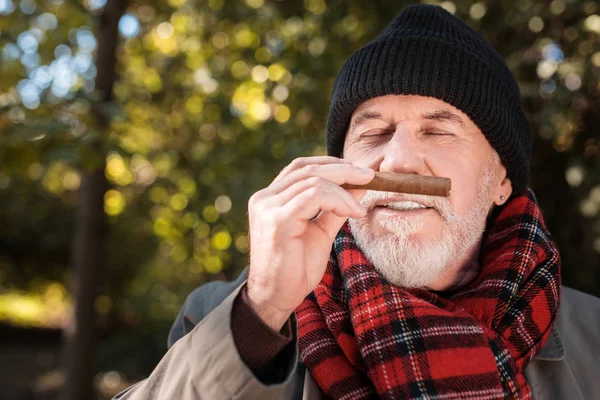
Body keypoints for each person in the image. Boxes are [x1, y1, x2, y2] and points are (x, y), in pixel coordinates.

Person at [114, 4, 600, 400]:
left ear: (500, 180)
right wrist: (260, 314)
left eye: (437, 130)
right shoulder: (233, 315)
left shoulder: (593, 338)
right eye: (375, 132)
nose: (400, 161)